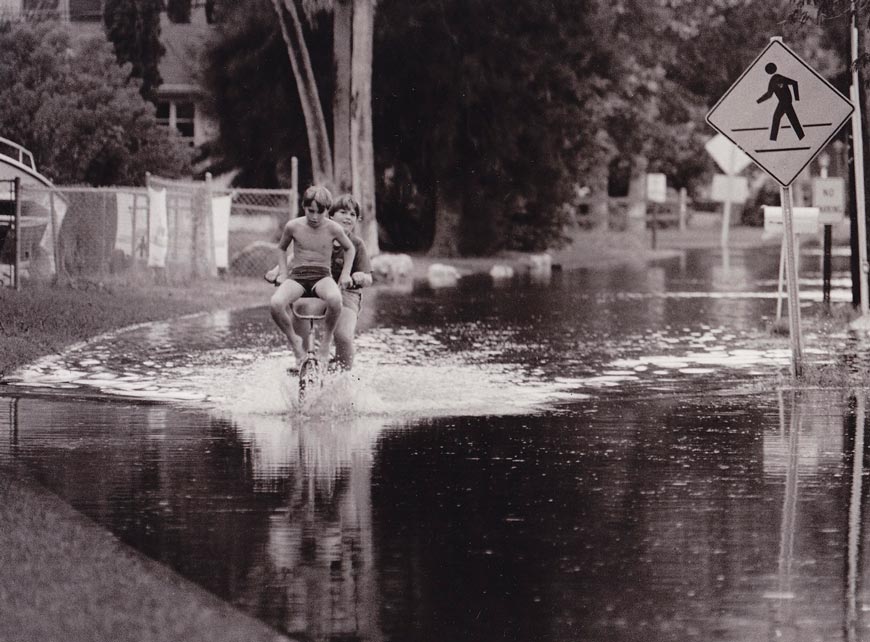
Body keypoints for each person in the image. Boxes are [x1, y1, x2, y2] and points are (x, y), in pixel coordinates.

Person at [268, 194, 372, 370]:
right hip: (318, 288)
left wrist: (360, 277)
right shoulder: (321, 233)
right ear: (330, 214)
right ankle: (303, 356)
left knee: (343, 336)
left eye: (353, 214)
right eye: (343, 212)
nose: (348, 217)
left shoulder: (356, 244)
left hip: (346, 293)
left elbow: (369, 277)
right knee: (301, 308)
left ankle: (343, 372)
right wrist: (276, 271)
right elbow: (296, 257)